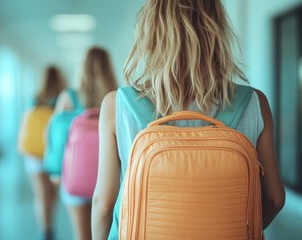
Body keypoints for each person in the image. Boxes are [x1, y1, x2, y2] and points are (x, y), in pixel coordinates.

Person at [91, 0, 286, 239]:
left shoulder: (117, 104)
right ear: (216, 29)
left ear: (151, 32)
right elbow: (275, 198)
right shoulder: (255, 103)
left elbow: (103, 205)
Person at [54, 46, 118, 240]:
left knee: (81, 235)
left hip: (75, 176)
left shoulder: (69, 97)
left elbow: (56, 137)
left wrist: (56, 172)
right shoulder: (117, 96)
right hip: (112, 179)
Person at [18, 65, 66, 240]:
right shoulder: (62, 97)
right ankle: (49, 225)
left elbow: (25, 124)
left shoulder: (34, 99)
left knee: (40, 193)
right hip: (54, 152)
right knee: (51, 192)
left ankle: (45, 229)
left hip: (34, 153)